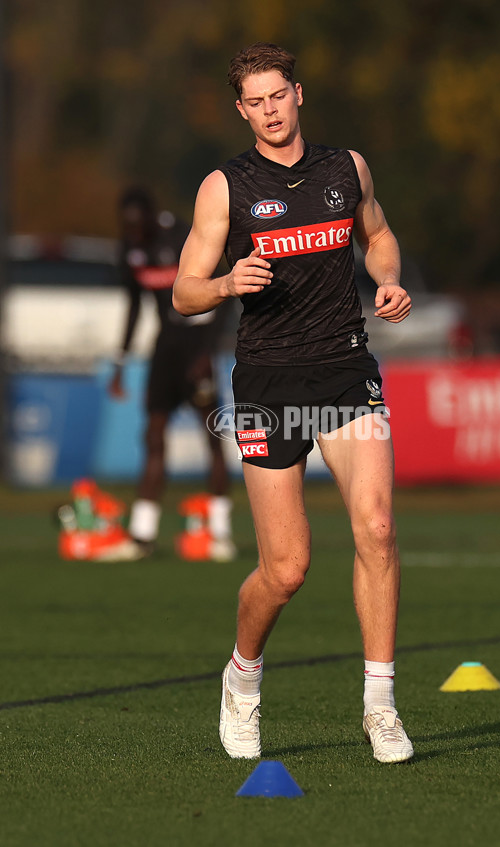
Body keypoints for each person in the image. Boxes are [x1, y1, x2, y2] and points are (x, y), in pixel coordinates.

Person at [172, 43, 413, 762]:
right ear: (240, 109)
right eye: (256, 101)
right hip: (269, 383)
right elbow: (185, 289)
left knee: (376, 526)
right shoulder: (226, 186)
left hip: (345, 370)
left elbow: (378, 234)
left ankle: (381, 704)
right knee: (287, 567)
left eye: (279, 95)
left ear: (298, 94)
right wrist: (225, 283)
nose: (270, 110)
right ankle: (242, 677)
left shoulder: (348, 168)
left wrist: (389, 279)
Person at [107, 186, 235, 561]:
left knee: (211, 435)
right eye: (127, 227)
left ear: (150, 215)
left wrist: (208, 351)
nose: (133, 232)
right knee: (153, 435)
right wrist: (120, 360)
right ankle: (142, 535)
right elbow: (133, 305)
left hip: (197, 343)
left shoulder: (181, 235)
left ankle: (220, 533)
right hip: (165, 347)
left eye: (137, 225)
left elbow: (225, 290)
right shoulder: (130, 249)